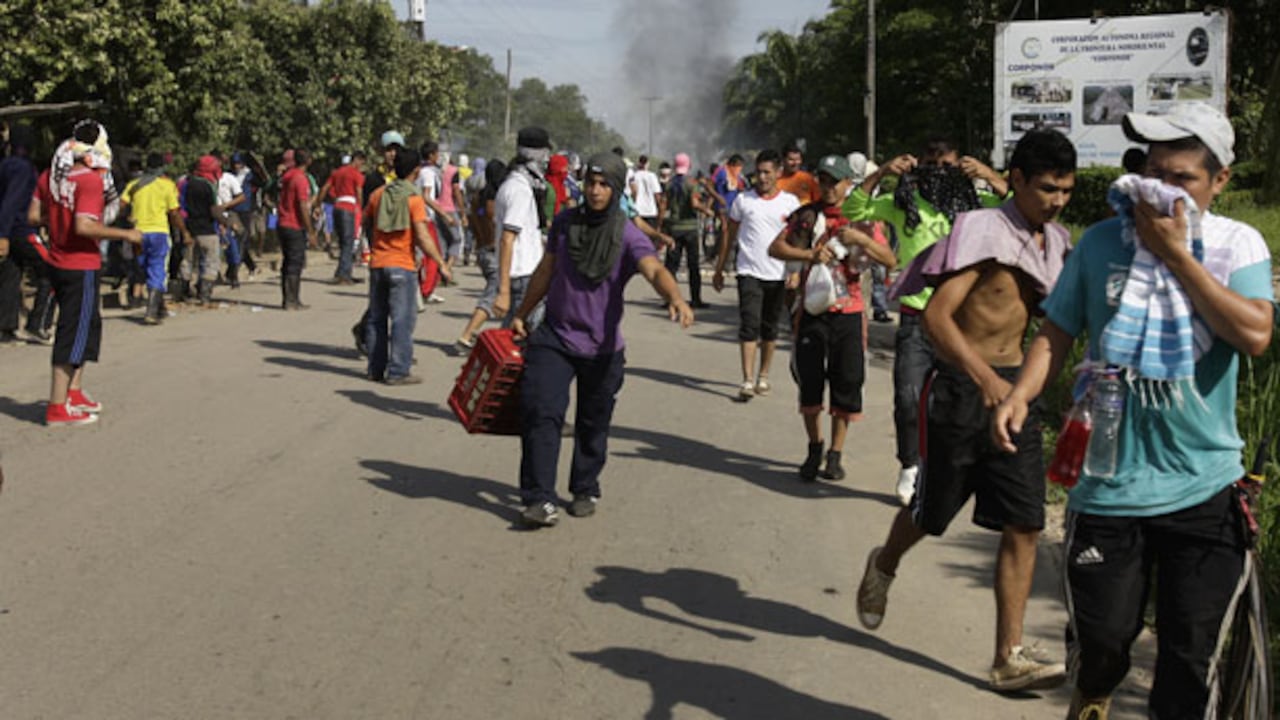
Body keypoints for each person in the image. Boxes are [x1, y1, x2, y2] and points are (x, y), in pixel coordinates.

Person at [994, 103, 1274, 719]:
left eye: (1182, 179)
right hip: (1109, 485)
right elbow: (1058, 331)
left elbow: (1255, 334)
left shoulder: (1235, 245)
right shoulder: (1099, 243)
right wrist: (1019, 393)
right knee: (1104, 647)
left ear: (1219, 180)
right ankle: (1094, 686)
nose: (1160, 190)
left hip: (1204, 486)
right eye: (1152, 172)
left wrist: (1177, 256)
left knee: (1186, 663)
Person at [857, 129, 1078, 694]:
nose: (1056, 201)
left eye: (1067, 191)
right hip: (960, 386)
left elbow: (1057, 327)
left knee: (1025, 520)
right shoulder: (982, 231)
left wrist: (1021, 392)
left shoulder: (1055, 243)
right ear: (1019, 180)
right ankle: (884, 562)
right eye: (1047, 189)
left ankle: (1008, 655)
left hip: (1016, 393)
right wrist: (982, 380)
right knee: (933, 512)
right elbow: (937, 318)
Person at [509, 152, 694, 527]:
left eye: (603, 184)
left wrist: (674, 297)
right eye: (590, 183)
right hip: (555, 336)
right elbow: (546, 270)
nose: (595, 191)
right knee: (541, 411)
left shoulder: (626, 233)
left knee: (593, 422)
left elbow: (653, 268)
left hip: (602, 348)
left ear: (616, 188)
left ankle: (584, 487)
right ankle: (539, 497)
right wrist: (521, 312)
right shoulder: (564, 223)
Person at [846, 138, 1008, 505]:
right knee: (907, 396)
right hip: (917, 319)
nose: (939, 171)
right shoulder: (904, 204)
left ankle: (958, 470)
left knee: (963, 402)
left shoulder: (976, 208)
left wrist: (986, 172)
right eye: (931, 163)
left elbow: (1013, 201)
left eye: (948, 164)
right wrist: (885, 171)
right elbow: (855, 207)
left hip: (963, 322)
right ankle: (910, 465)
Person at [768, 155, 895, 481]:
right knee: (810, 382)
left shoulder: (863, 220)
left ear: (847, 183)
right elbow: (776, 248)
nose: (827, 187)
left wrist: (862, 240)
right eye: (822, 180)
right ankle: (815, 447)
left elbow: (890, 259)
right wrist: (809, 254)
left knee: (847, 382)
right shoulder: (807, 216)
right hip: (812, 311)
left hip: (850, 313)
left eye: (833, 181)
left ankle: (836, 454)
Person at [28, 121, 142, 426]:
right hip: (80, 264)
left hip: (59, 261)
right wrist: (126, 235)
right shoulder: (90, 180)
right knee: (73, 333)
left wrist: (57, 221)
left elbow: (33, 215)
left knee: (86, 328)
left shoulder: (51, 176)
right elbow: (85, 226)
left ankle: (73, 392)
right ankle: (57, 405)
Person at [712, 148, 800, 399]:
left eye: (767, 172)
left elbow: (796, 240)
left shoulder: (790, 203)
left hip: (777, 273)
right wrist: (720, 269)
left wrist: (795, 271)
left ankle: (764, 375)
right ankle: (747, 380)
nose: (762, 178)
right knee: (749, 325)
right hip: (748, 270)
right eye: (759, 173)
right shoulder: (743, 201)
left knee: (770, 327)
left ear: (778, 173)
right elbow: (729, 235)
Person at [362, 148, 451, 385]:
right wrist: (441, 263)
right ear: (416, 171)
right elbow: (422, 236)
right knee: (402, 320)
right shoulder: (413, 199)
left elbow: (366, 221)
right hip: (402, 265)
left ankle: (375, 369)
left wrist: (375, 245)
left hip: (378, 264)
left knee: (376, 318)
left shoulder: (378, 194)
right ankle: (399, 371)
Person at [120, 153, 191, 325]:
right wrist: (184, 232)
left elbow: (121, 206)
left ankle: (159, 308)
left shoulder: (134, 185)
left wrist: (128, 219)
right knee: (158, 268)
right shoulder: (167, 185)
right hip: (159, 232)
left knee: (144, 267)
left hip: (137, 233)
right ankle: (151, 312)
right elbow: (174, 213)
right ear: (162, 168)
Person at [492, 127, 551, 327]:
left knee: (514, 340)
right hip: (523, 276)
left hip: (524, 274)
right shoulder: (520, 190)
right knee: (522, 341)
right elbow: (507, 239)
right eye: (545, 154)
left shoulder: (518, 184)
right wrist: (504, 291)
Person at [0, 123, 53, 344]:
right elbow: (11, 202)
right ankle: (37, 323)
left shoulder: (5, 164)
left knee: (11, 277)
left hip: (11, 229)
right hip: (21, 230)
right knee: (53, 271)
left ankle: (6, 327)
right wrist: (2, 233)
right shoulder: (22, 168)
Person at [455, 159, 506, 350]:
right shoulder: (494, 197)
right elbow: (493, 220)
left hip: (483, 250)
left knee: (504, 296)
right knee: (492, 295)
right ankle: (467, 335)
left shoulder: (477, 197)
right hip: (492, 251)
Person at [663, 152, 711, 309]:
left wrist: (660, 227)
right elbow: (694, 203)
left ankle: (669, 299)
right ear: (688, 165)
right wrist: (707, 210)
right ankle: (695, 299)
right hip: (690, 229)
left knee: (671, 266)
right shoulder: (692, 183)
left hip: (674, 228)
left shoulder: (669, 184)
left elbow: (664, 206)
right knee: (693, 265)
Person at [317, 152, 365, 284]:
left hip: (336, 206)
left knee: (343, 241)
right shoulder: (356, 174)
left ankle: (344, 271)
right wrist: (361, 209)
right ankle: (344, 275)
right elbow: (359, 192)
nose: (361, 166)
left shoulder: (337, 173)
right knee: (348, 242)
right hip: (349, 207)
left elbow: (325, 188)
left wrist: (317, 204)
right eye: (361, 163)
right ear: (357, 160)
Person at [184, 155, 225, 306]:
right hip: (207, 230)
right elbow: (213, 210)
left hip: (189, 229)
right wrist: (225, 222)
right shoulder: (209, 186)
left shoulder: (188, 183)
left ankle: (184, 292)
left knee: (188, 262)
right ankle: (205, 295)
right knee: (211, 262)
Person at [277, 148, 315, 310]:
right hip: (294, 224)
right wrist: (311, 230)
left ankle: (288, 299)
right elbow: (302, 206)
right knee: (295, 263)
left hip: (282, 222)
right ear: (308, 161)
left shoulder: (288, 175)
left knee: (287, 262)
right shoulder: (300, 179)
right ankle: (292, 300)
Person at [630, 154, 663, 230]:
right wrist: (660, 208)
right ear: (647, 164)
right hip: (650, 211)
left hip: (637, 212)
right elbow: (657, 194)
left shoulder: (634, 176)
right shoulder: (652, 176)